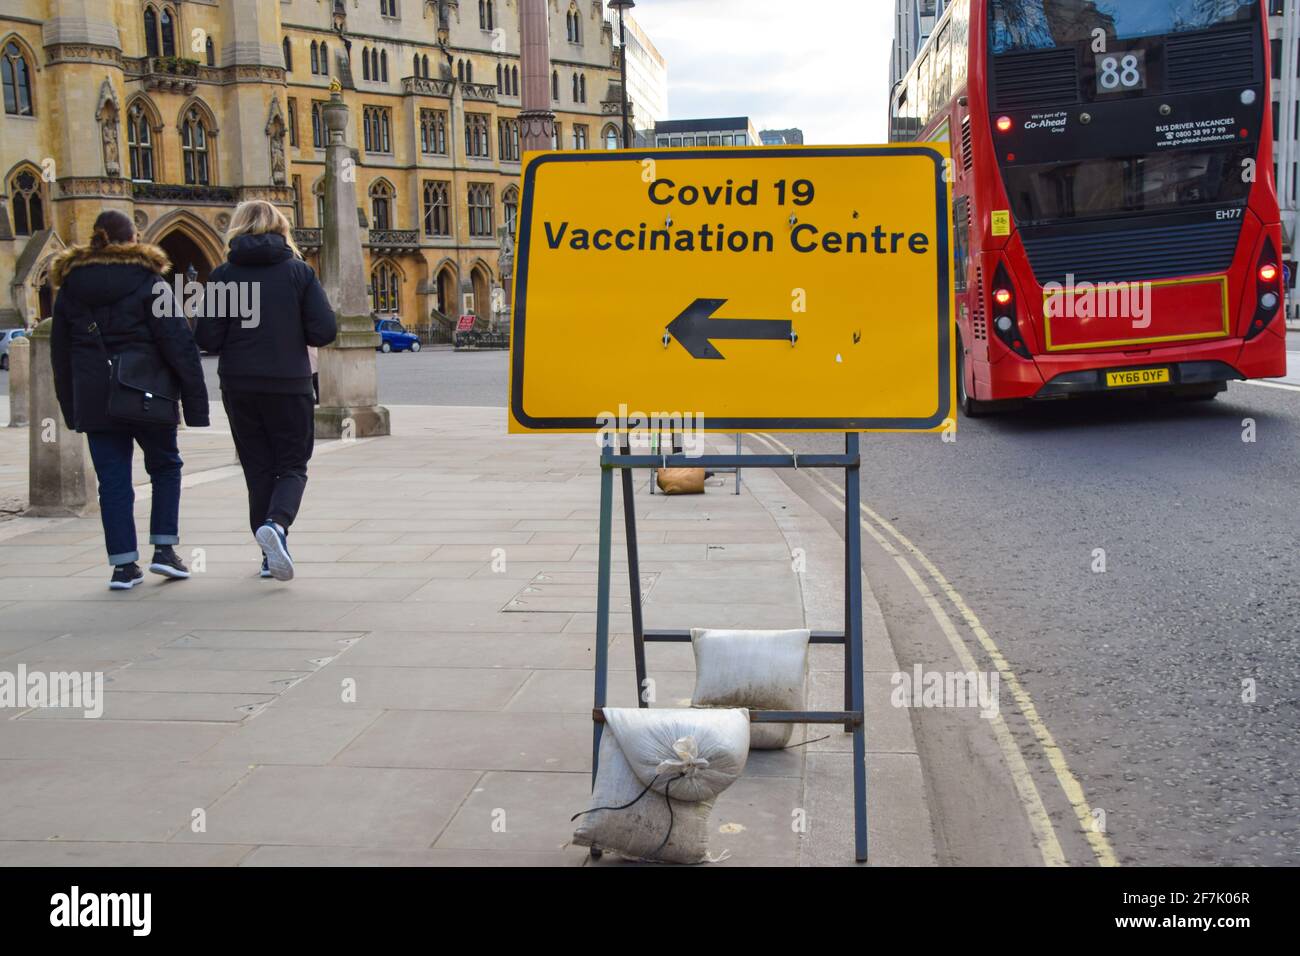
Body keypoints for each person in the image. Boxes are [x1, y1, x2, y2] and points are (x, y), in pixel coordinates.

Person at [49, 210, 209, 590]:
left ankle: (122, 566)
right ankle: (164, 551)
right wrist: (196, 406)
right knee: (166, 467)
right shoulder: (150, 281)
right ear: (133, 240)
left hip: (96, 398)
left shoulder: (71, 287)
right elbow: (179, 344)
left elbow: (60, 354)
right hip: (148, 393)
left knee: (113, 482)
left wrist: (71, 408)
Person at [195, 200, 336, 581]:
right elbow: (324, 331)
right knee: (291, 465)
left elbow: (207, 337)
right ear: (281, 228)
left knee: (257, 468)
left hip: (240, 384)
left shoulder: (224, 275)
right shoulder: (298, 273)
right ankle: (277, 524)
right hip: (289, 383)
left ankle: (267, 555)